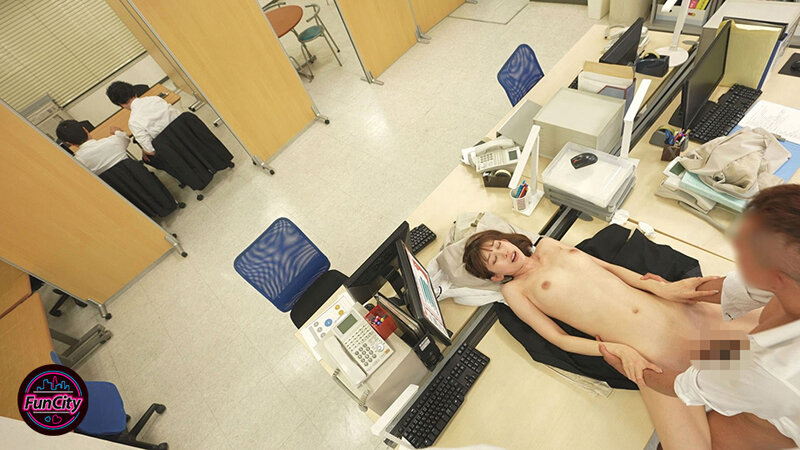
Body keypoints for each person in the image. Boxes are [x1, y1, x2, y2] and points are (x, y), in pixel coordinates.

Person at [462, 230, 759, 448]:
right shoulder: (514, 291)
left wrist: (661, 288)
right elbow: (558, 338)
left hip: (674, 313)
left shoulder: (549, 245)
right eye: (494, 259)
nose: (503, 253)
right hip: (651, 353)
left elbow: (611, 269)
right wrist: (615, 349)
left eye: (499, 245)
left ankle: (737, 390)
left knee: (764, 348)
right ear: (495, 277)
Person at [599, 184, 800, 449]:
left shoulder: (773, 372)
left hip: (777, 416)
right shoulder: (790, 281)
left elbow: (684, 386)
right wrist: (675, 289)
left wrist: (636, 370)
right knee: (698, 350)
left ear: (775, 278)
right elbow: (745, 287)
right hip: (759, 372)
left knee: (699, 438)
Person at [105, 81, 178, 162]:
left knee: (147, 157)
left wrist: (145, 149)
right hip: (185, 133)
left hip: (174, 150)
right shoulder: (156, 99)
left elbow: (151, 151)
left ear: (120, 104)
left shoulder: (133, 122)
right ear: (135, 92)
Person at [56, 120, 129, 175]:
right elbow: (124, 136)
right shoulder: (114, 141)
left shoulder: (79, 162)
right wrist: (116, 131)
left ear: (69, 143)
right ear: (85, 130)